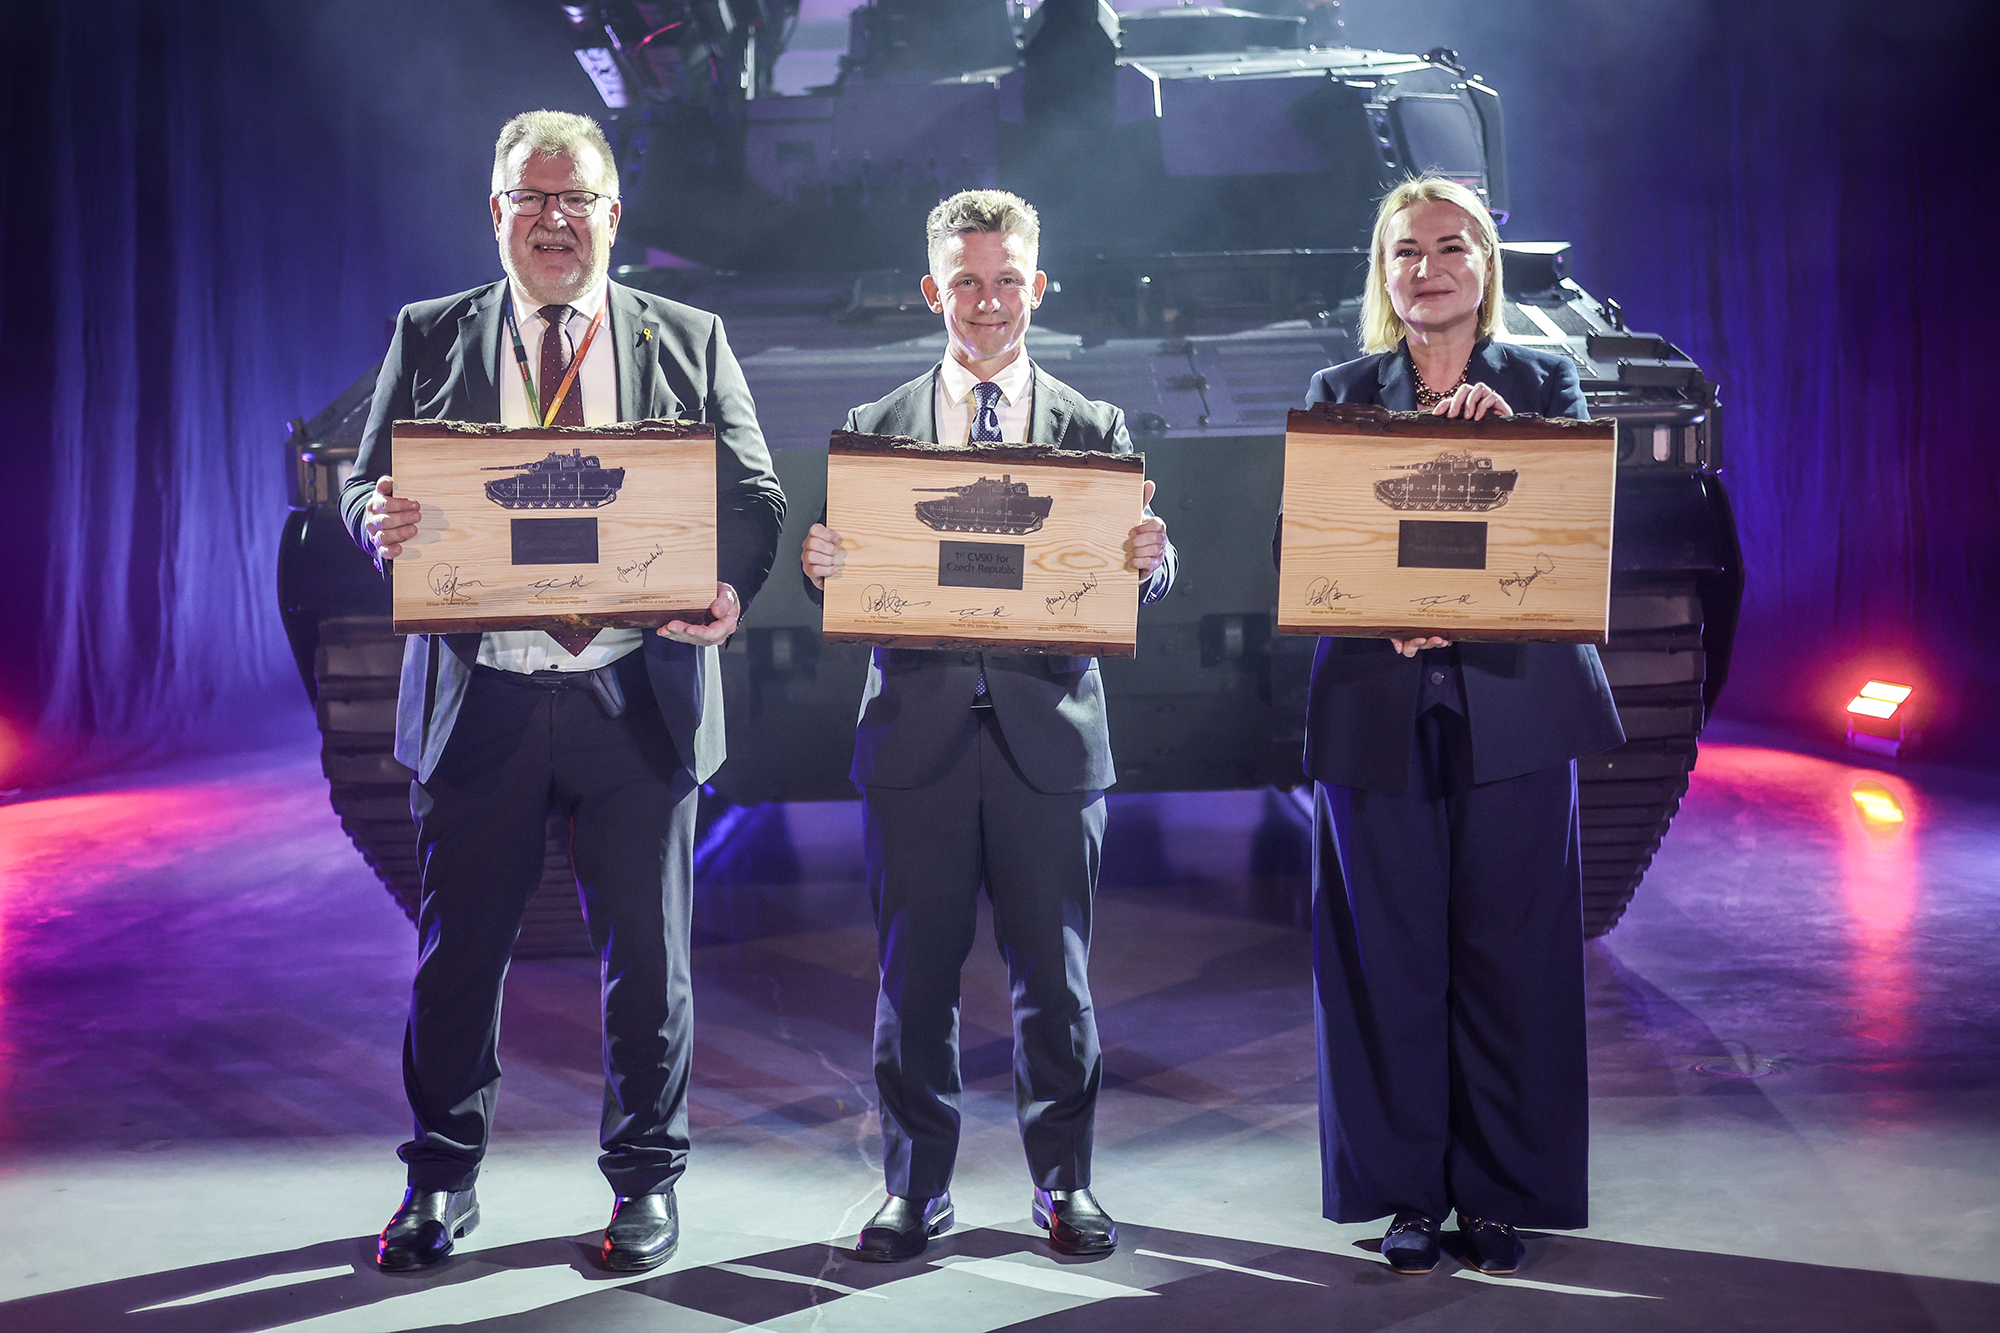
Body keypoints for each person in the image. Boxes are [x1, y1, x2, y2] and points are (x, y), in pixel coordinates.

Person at [340, 110, 785, 1274]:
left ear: (611, 216)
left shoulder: (687, 334)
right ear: (496, 215)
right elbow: (362, 479)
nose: (553, 219)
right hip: (481, 695)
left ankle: (645, 1184)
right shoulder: (428, 333)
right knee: (458, 959)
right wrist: (371, 520)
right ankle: (439, 1179)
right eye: (530, 199)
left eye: (574, 198)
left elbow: (754, 492)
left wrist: (731, 588)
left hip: (632, 697)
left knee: (650, 963)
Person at [800, 190, 1175, 1262]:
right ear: (931, 291)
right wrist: (819, 565)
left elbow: (1139, 560)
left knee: (1053, 982)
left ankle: (1064, 1184)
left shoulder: (1093, 429)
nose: (988, 299)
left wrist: (1153, 562)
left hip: (1047, 743)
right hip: (914, 741)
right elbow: (833, 573)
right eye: (965, 279)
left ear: (1037, 287)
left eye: (1007, 277)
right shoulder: (874, 434)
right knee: (912, 983)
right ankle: (913, 1190)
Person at [1294, 175, 1625, 1276]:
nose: (1425, 268)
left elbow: (1573, 533)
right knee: (1386, 960)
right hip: (1375, 706)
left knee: (1509, 958)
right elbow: (1320, 542)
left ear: (1482, 267)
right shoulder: (1341, 388)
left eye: (1448, 248)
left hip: (1514, 706)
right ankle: (1403, 1195)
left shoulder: (1546, 381)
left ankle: (1496, 1194)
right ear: (1381, 276)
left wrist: (1513, 439)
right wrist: (1383, 615)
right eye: (1404, 253)